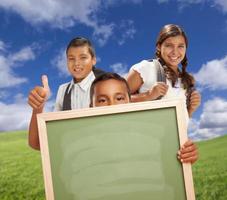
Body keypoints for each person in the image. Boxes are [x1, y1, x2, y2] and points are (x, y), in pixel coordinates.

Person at [90, 72, 198, 164]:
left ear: (130, 102)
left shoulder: (152, 138)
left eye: (119, 98)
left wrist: (187, 156)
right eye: (102, 100)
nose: (112, 105)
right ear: (91, 106)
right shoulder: (85, 143)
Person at [28, 37, 105, 150]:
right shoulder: (63, 91)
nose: (77, 63)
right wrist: (38, 107)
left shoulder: (106, 84)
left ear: (93, 60)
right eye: (71, 58)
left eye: (83, 57)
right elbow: (37, 143)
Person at [126, 24, 201, 118]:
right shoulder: (146, 68)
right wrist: (147, 95)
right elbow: (116, 101)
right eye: (169, 45)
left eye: (180, 46)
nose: (175, 52)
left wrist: (191, 109)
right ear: (159, 46)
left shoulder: (186, 79)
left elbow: (181, 120)